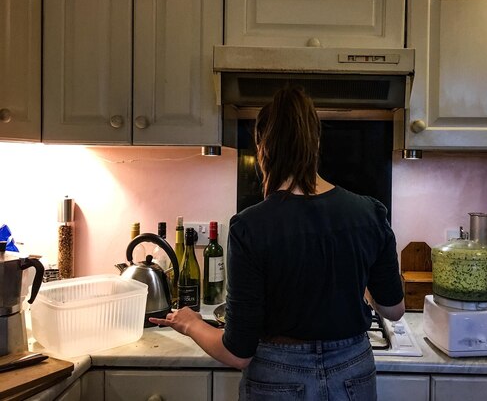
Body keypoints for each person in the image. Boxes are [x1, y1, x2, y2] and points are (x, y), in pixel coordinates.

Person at [150, 86, 405, 400]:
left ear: (263, 146)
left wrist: (190, 323)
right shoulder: (370, 213)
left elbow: (237, 353)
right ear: (316, 142)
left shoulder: (250, 226)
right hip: (353, 373)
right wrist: (355, 276)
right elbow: (394, 310)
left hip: (278, 377)